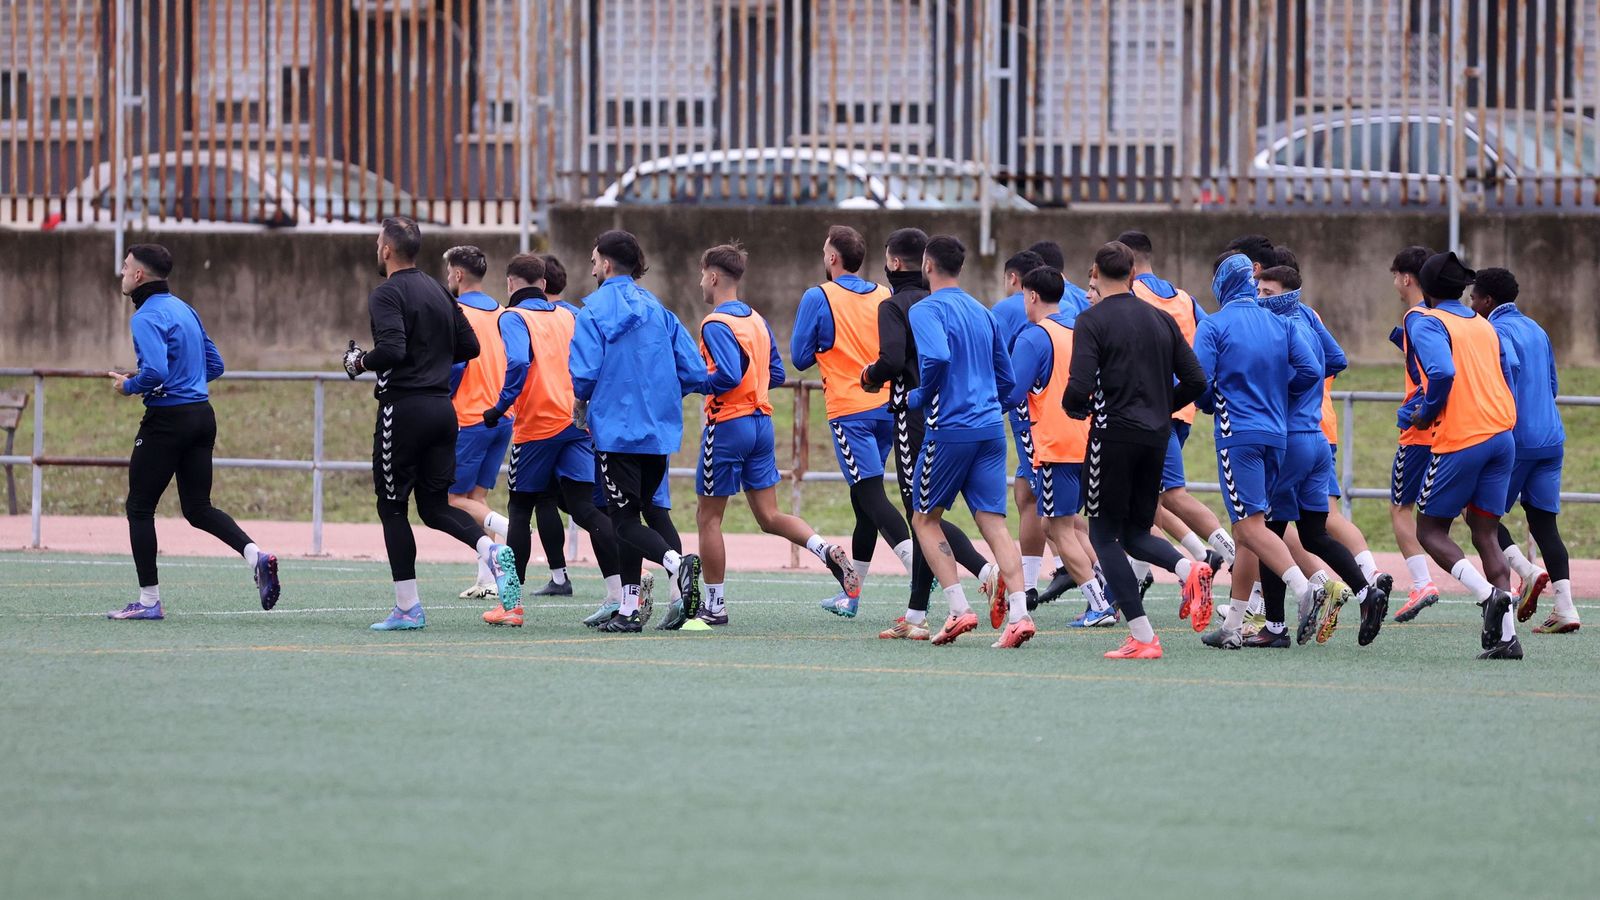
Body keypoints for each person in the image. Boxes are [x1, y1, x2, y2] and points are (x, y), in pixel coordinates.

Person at [344, 217, 520, 631]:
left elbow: (392, 348)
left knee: (391, 507)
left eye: (377, 243)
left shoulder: (386, 293)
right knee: (435, 505)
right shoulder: (440, 291)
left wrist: (359, 361)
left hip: (403, 409)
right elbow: (470, 346)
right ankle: (489, 550)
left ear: (387, 250)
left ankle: (408, 607)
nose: (376, 248)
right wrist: (433, 363)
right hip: (444, 410)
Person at [106, 244, 281, 620]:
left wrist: (129, 386)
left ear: (139, 275)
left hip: (167, 420)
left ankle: (149, 602)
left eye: (125, 268)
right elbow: (214, 364)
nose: (120, 273)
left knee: (139, 507)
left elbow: (154, 373)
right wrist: (185, 378)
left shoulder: (144, 317)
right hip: (202, 415)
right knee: (199, 508)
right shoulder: (185, 309)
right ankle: (256, 555)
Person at [692, 243, 860, 625]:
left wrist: (693, 380)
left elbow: (728, 375)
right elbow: (778, 374)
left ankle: (714, 607)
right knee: (769, 515)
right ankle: (825, 549)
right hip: (761, 424)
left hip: (729, 424)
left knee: (708, 518)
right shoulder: (755, 319)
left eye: (702, 275)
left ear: (714, 277)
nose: (701, 282)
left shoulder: (715, 323)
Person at [1063, 242, 1208, 659]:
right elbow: (1197, 381)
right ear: (1132, 274)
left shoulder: (1091, 320)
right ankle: (1189, 567)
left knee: (1102, 533)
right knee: (1135, 532)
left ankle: (1144, 637)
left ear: (1094, 272)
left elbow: (1078, 385)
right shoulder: (1161, 319)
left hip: (1112, 437)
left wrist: (1075, 408)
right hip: (1156, 436)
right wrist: (1164, 406)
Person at [570, 230, 708, 633]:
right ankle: (630, 610)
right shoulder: (660, 310)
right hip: (657, 433)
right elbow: (696, 372)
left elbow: (584, 375)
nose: (592, 268)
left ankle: (676, 564)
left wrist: (583, 403)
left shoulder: (592, 311)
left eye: (594, 261)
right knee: (630, 517)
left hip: (616, 432)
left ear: (607, 265)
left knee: (624, 523)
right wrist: (661, 393)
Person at [860, 228, 994, 640]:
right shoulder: (940, 303)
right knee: (926, 514)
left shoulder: (895, 305)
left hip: (912, 411)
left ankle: (983, 573)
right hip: (952, 414)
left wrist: (871, 375)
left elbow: (893, 357)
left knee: (920, 515)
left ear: (897, 263)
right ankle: (917, 612)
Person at [904, 235, 1032, 648]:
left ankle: (959, 608)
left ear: (927, 265)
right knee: (994, 523)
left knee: (924, 518)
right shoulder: (983, 311)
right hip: (991, 428)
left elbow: (937, 357)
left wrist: (921, 396)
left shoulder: (925, 309)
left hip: (949, 430)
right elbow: (1008, 378)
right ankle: (1019, 613)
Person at [1252, 266, 1389, 647]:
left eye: (1266, 290)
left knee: (1269, 535)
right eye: (1258, 289)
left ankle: (1274, 628)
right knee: (1314, 533)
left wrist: (1285, 390)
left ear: (1286, 293)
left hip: (1292, 439)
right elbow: (1338, 359)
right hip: (1316, 438)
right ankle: (1366, 592)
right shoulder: (1308, 318)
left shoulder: (1281, 326)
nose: (1260, 296)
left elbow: (1314, 368)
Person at [1192, 252, 1321, 650]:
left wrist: (1213, 403)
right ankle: (1233, 625)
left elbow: (1199, 379)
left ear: (1221, 285)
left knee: (1249, 527)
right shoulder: (1279, 321)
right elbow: (1313, 370)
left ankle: (1305, 588)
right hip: (1276, 433)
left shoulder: (1214, 325)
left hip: (1239, 434)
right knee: (1247, 529)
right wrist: (1281, 397)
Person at [485, 253, 621, 628]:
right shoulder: (570, 314)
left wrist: (499, 407)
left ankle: (510, 605)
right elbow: (593, 358)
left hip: (537, 427)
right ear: (544, 284)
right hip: (575, 422)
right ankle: (619, 593)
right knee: (584, 507)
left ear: (511, 283)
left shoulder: (513, 317)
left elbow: (516, 363)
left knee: (519, 509)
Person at [792, 225, 917, 617]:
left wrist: (828, 345)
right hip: (887, 407)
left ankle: (920, 567)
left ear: (832, 258)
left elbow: (799, 356)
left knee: (869, 494)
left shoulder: (819, 295)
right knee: (862, 499)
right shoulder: (883, 293)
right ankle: (852, 594)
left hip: (850, 408)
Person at [1404, 252, 1522, 658]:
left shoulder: (1428, 322)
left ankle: (1487, 596)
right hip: (1501, 434)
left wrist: (1425, 413)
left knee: (1429, 530)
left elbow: (1441, 373)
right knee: (1485, 532)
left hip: (1464, 436)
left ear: (1425, 288)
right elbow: (1507, 371)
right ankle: (1507, 637)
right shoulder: (1484, 324)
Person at [1118, 230, 1234, 574]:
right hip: (1183, 407)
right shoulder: (1184, 298)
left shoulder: (1128, 294)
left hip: (1152, 409)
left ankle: (1231, 554)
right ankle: (1181, 561)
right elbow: (1211, 339)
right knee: (1148, 497)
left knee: (1172, 495)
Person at [1470, 268, 1576, 633]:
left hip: (1517, 438)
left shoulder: (1493, 330)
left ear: (1487, 301)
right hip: (1552, 438)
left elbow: (1506, 376)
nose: (1470, 303)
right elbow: (1553, 384)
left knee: (1477, 516)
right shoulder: (1538, 329)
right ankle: (1566, 608)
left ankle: (1527, 572)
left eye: (1474, 298)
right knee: (1545, 524)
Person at [1002, 266, 1110, 625]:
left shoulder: (1034, 337)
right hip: (1088, 441)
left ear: (1031, 295)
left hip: (1054, 442)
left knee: (1056, 527)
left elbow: (1013, 392)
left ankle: (1099, 602)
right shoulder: (1080, 329)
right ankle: (1106, 591)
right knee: (1069, 523)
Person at [441, 245, 517, 601]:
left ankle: (512, 531)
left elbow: (455, 366)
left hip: (470, 416)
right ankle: (489, 578)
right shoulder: (504, 312)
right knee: (477, 498)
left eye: (448, 272)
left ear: (457, 275)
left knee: (452, 499)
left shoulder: (455, 312)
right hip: (502, 416)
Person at [1384, 246, 1445, 620]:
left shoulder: (1416, 318)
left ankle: (1422, 583)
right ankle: (1516, 573)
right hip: (1449, 433)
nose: (1394, 283)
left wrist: (1414, 414)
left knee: (1400, 509)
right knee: (1469, 516)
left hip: (1421, 434)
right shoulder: (1442, 316)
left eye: (1395, 275)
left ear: (1407, 277)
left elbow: (1432, 377)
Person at [529, 254, 580, 596]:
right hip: (580, 420)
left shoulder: (530, 317)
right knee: (586, 503)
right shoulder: (579, 315)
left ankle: (560, 575)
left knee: (543, 497)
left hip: (546, 419)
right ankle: (622, 576)